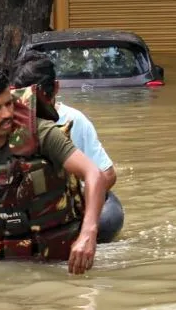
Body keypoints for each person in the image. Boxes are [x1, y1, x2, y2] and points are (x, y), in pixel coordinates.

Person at [0, 67, 106, 275]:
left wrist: (88, 233)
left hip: (53, 254)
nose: (6, 114)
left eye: (8, 103)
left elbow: (94, 174)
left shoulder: (42, 133)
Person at [10, 50, 123, 242]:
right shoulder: (3, 120)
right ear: (56, 87)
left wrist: (78, 206)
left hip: (66, 207)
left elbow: (107, 175)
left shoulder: (74, 120)